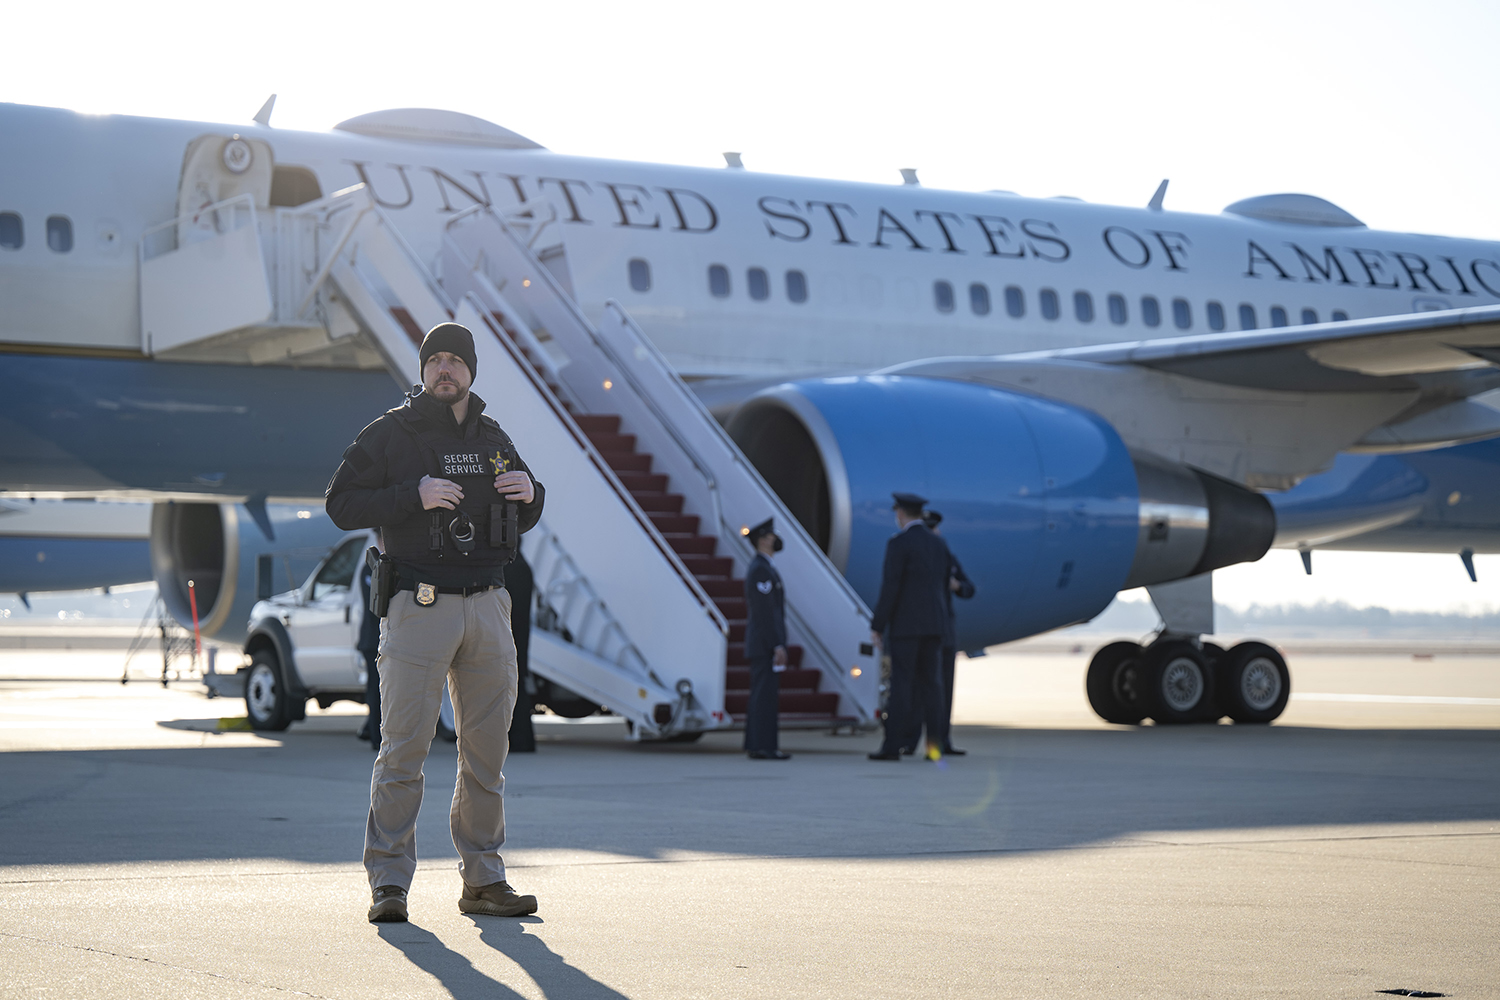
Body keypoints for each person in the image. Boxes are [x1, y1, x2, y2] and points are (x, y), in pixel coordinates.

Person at [325, 322, 545, 924]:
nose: (445, 369)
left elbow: (525, 508)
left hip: (488, 607)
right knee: (404, 749)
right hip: (418, 606)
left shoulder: (494, 436)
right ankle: (389, 883)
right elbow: (340, 503)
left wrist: (533, 492)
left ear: (471, 372)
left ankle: (484, 879)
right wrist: (410, 495)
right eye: (436, 360)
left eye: (456, 361)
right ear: (423, 371)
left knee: (486, 753)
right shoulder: (389, 435)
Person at [867, 493, 951, 761]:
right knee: (933, 687)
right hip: (935, 624)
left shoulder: (899, 543)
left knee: (901, 686)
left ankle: (893, 746)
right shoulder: (938, 544)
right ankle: (935, 748)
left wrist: (878, 624)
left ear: (900, 514)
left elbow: (891, 586)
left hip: (907, 626)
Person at [921, 509, 975, 756]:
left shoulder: (947, 557)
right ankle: (916, 740)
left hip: (945, 633)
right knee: (919, 690)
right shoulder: (916, 558)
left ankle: (943, 740)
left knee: (945, 689)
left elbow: (969, 588)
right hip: (922, 633)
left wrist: (956, 586)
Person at [742, 518, 790, 760]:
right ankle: (764, 746)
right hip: (764, 644)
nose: (775, 538)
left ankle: (758, 744)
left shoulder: (765, 567)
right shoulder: (761, 569)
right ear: (763, 540)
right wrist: (777, 644)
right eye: (771, 535)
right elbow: (765, 612)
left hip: (763, 643)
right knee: (764, 697)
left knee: (763, 695)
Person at [506, 551, 536, 754]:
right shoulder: (522, 567)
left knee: (505, 663)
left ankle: (514, 735)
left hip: (503, 572)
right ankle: (522, 737)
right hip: (516, 566)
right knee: (518, 662)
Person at [358, 556, 382, 751]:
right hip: (373, 640)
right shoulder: (370, 568)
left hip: (383, 639)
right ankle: (376, 736)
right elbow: (374, 605)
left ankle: (370, 729)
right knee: (375, 689)